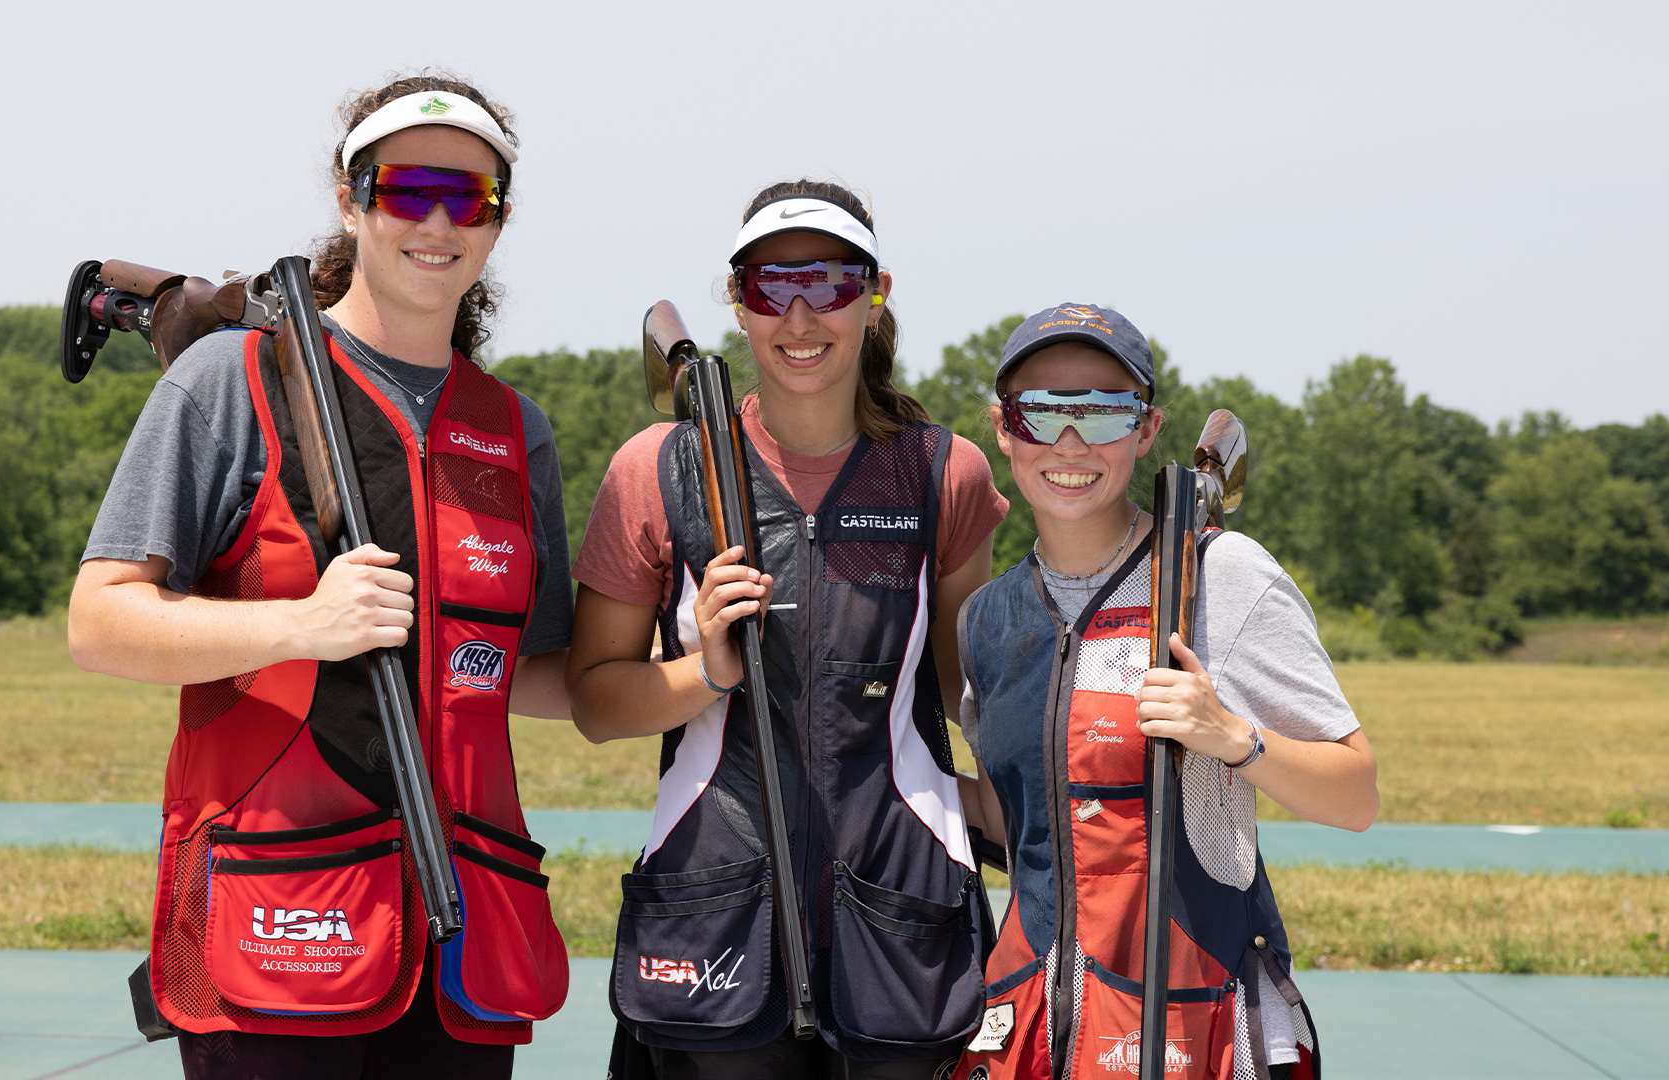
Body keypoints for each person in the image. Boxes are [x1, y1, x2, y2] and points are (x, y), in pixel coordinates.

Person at [66, 72, 573, 1080]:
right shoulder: (231, 378)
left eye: (470, 197)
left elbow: (526, 671)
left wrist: (701, 657)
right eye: (408, 189)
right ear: (352, 198)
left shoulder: (517, 429)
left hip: (456, 940)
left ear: (498, 223)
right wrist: (299, 626)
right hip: (277, 929)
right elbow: (99, 621)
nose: (439, 221)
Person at [568, 179, 1011, 1078]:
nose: (801, 314)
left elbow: (980, 702)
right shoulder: (658, 468)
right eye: (772, 286)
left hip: (901, 908)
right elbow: (597, 702)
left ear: (874, 293)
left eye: (832, 283)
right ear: (739, 304)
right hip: (713, 910)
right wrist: (707, 669)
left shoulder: (944, 472)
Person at [950, 304, 1379, 1080]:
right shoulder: (987, 618)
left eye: (1104, 412)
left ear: (1146, 430)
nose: (1071, 444)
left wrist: (1232, 738)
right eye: (1041, 413)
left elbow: (1355, 796)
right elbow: (1020, 832)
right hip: (1033, 1023)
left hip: (1192, 1021)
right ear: (1002, 429)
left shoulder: (1223, 574)